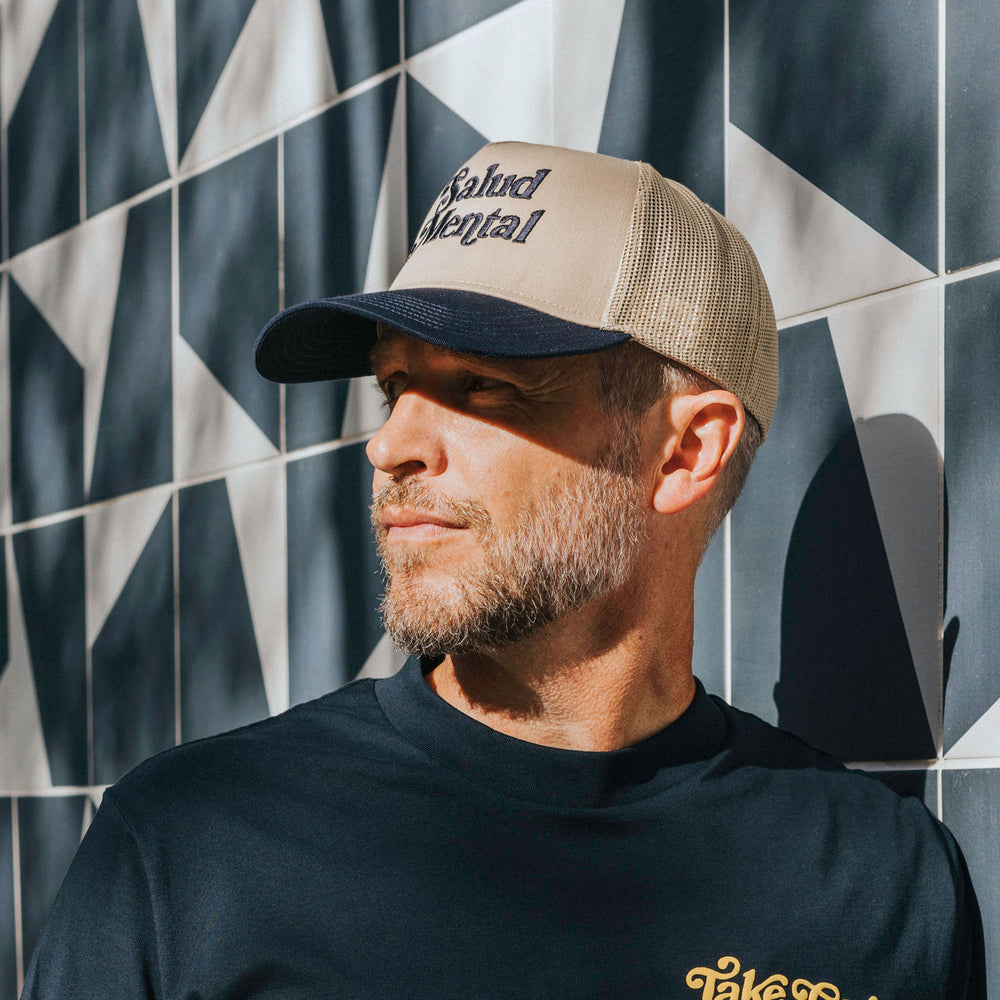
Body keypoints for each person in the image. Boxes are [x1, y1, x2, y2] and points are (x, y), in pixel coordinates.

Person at [23, 142, 984, 998]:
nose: (392, 444)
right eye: (396, 385)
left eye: (481, 383)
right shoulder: (187, 855)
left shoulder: (884, 884)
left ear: (685, 454)